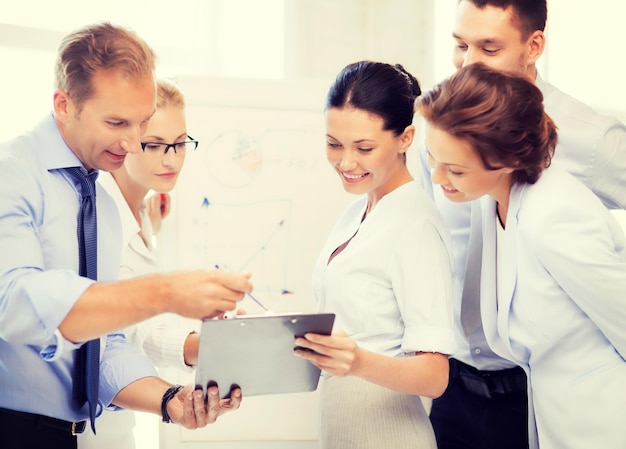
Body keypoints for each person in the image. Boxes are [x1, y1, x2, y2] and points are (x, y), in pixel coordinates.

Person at [0, 22, 252, 449]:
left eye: (141, 123)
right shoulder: (12, 173)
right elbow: (14, 302)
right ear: (63, 104)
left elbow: (103, 345)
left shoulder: (100, 201)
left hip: (70, 437)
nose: (134, 143)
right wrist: (165, 293)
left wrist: (171, 400)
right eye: (117, 122)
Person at [416, 2, 626, 448]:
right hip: (476, 385)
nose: (469, 63)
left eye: (489, 47)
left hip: (590, 418)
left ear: (534, 46)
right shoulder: (462, 146)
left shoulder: (555, 207)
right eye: (460, 45)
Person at [293, 61, 456, 449]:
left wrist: (358, 362)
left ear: (405, 138)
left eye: (364, 147)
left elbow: (436, 376)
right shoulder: (358, 211)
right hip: (344, 423)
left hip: (390, 431)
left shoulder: (416, 223)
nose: (346, 162)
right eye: (334, 144)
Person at [78, 79, 202, 448]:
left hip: (119, 422)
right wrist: (206, 346)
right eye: (155, 146)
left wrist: (151, 228)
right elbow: (130, 331)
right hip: (91, 428)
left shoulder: (143, 213)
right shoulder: (98, 218)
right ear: (126, 142)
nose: (172, 159)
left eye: (180, 143)